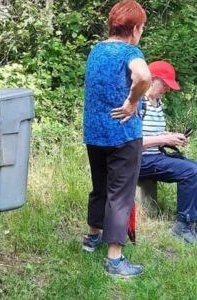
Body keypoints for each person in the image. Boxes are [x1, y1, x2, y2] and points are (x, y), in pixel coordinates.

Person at [82, 0, 151, 278]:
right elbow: (144, 76)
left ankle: (91, 238)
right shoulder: (130, 51)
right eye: (142, 28)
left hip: (95, 133)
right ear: (134, 28)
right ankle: (114, 259)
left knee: (100, 187)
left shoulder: (96, 51)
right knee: (120, 196)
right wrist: (133, 101)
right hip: (123, 134)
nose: (141, 33)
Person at [139, 60, 197, 244]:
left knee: (194, 167)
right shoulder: (137, 102)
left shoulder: (157, 102)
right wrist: (164, 140)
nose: (168, 89)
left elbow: (152, 133)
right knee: (190, 172)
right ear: (152, 79)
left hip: (154, 156)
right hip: (137, 160)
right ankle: (182, 226)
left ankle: (191, 220)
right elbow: (132, 142)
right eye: (165, 84)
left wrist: (172, 136)